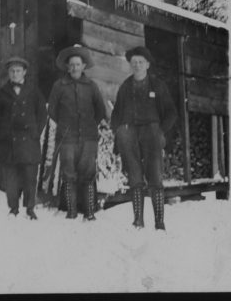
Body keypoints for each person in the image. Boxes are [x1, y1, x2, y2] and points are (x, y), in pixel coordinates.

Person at [111, 46, 177, 230]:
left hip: (151, 134)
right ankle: (138, 220)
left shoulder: (158, 85)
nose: (137, 65)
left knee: (155, 176)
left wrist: (161, 132)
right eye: (134, 63)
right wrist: (119, 131)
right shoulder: (125, 87)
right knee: (134, 177)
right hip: (129, 134)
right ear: (130, 65)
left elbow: (172, 112)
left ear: (147, 64)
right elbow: (116, 115)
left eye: (141, 62)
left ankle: (159, 222)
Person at [48, 45, 106, 221]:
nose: (74, 68)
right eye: (71, 65)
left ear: (83, 66)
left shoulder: (91, 86)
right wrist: (67, 123)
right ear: (67, 67)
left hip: (88, 138)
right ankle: (71, 211)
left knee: (87, 174)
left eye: (78, 64)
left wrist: (88, 124)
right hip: (67, 138)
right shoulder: (59, 85)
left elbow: (100, 111)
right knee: (69, 173)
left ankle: (89, 211)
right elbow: (52, 110)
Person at [0, 57, 47, 219]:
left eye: (18, 71)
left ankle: (30, 208)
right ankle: (13, 208)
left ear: (25, 72)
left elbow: (42, 114)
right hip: (9, 142)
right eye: (12, 71)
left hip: (29, 141)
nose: (15, 74)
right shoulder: (1, 93)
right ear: (8, 73)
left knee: (30, 176)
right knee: (11, 177)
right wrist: (2, 133)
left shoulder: (34, 91)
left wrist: (36, 132)